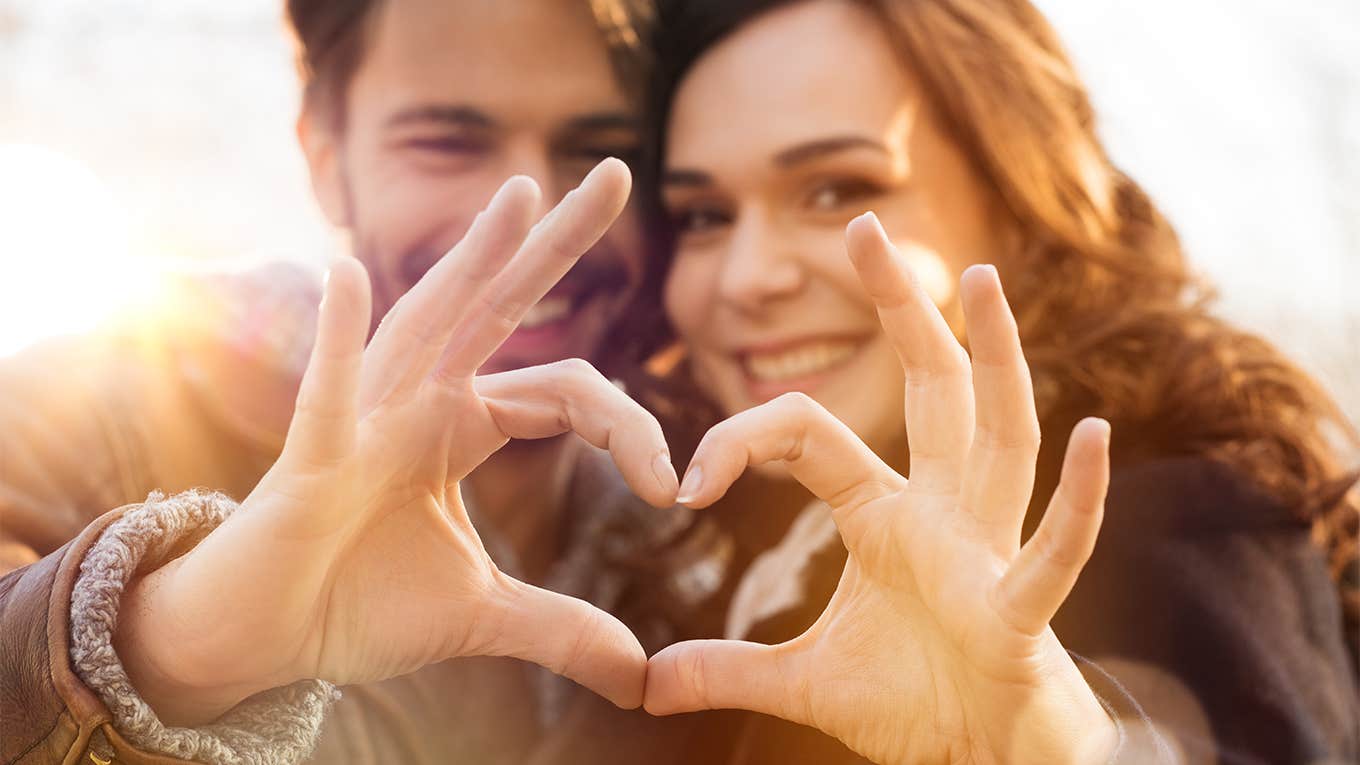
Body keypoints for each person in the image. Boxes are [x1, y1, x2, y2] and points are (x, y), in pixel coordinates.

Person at [620, 0, 1360, 762]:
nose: (746, 278)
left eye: (836, 190)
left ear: (1019, 200)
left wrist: (1055, 740)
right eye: (704, 214)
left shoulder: (1168, 526)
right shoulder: (749, 555)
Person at [0, 2, 708, 763]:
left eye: (601, 150)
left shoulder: (709, 511)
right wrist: (166, 646)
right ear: (325, 159)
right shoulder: (90, 400)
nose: (530, 204)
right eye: (447, 143)